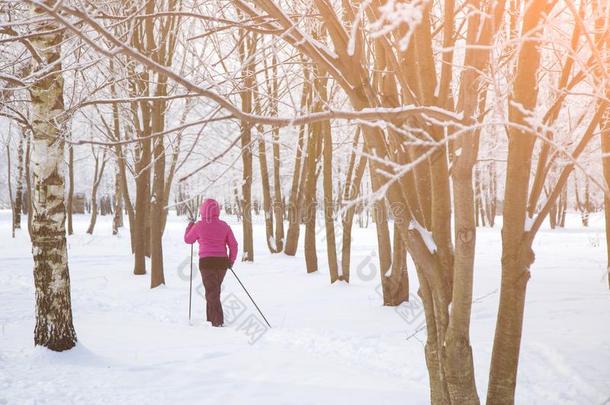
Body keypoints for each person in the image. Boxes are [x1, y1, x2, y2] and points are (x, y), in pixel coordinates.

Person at [184, 198, 238, 327]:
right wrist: (231, 261)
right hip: (222, 263)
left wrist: (190, 226)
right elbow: (234, 245)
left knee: (212, 291)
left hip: (207, 263)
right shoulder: (224, 225)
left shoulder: (199, 225)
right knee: (213, 290)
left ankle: (217, 322)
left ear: (202, 210)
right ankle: (211, 320)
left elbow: (188, 240)